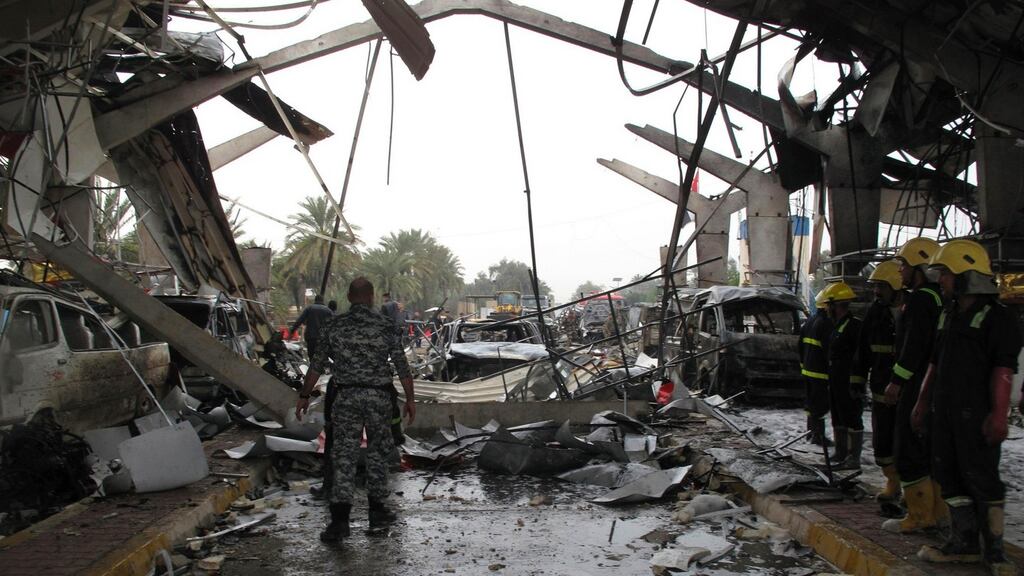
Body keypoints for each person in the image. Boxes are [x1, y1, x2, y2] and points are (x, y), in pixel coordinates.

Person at [913, 240, 1020, 575]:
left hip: (976, 414)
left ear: (966, 275)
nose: (941, 280)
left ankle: (996, 552)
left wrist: (999, 416)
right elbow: (934, 362)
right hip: (945, 412)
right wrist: (922, 402)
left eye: (945, 273)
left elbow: (1003, 370)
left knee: (981, 476)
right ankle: (964, 543)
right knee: (949, 475)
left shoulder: (998, 318)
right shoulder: (950, 313)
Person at [295, 277, 415, 543]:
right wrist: (410, 399)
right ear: (372, 297)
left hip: (346, 396)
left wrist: (304, 396)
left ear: (349, 297)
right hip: (378, 398)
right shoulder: (386, 326)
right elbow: (402, 366)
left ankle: (339, 523)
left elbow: (316, 365)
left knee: (344, 456)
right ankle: (377, 512)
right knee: (377, 454)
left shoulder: (333, 325)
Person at [882, 237, 947, 534]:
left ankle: (919, 515)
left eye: (905, 265)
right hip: (935, 385)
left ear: (920, 267)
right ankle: (936, 512)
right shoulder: (941, 298)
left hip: (916, 383)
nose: (900, 271)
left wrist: (897, 381)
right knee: (930, 449)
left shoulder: (921, 299)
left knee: (909, 448)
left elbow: (914, 346)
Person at [854, 260, 902, 510]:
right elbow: (863, 349)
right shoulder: (877, 312)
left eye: (881, 286)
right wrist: (857, 380)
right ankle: (892, 482)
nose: (876, 291)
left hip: (910, 391)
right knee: (882, 439)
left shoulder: (916, 310)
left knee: (909, 442)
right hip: (882, 387)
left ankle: (916, 493)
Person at [819, 282, 863, 469]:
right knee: (838, 415)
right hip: (836, 379)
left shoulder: (854, 326)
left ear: (836, 305)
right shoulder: (838, 326)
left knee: (851, 416)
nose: (827, 310)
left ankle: (853, 457)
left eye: (829, 306)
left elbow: (859, 356)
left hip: (848, 380)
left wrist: (857, 382)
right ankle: (841, 452)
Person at [799, 291, 833, 446]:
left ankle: (810, 433)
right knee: (819, 405)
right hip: (820, 372)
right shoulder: (826, 324)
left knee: (811, 404)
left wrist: (803, 365)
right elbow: (828, 350)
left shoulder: (810, 321)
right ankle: (818, 436)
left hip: (807, 370)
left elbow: (800, 346)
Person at [289, 295, 334, 361]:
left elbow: (299, 320)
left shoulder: (309, 308)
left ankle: (312, 368)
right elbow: (334, 324)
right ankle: (321, 369)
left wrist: (292, 331)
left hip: (310, 337)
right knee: (321, 358)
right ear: (322, 301)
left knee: (312, 357)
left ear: (315, 300)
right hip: (322, 339)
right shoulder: (328, 311)